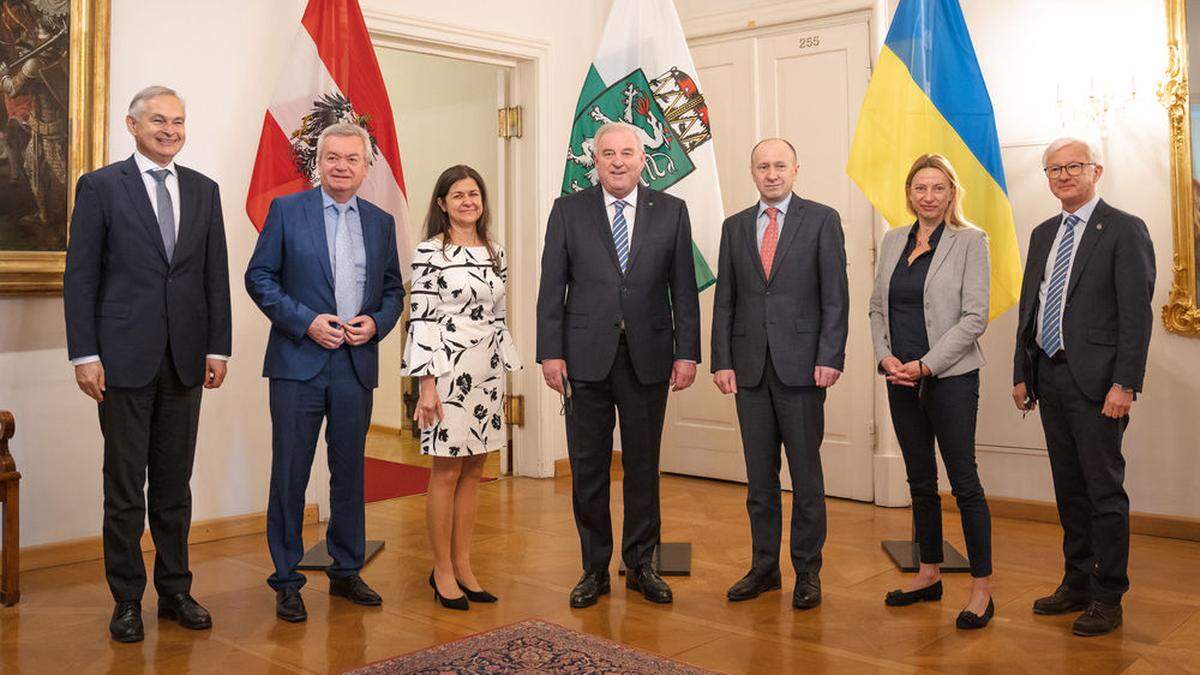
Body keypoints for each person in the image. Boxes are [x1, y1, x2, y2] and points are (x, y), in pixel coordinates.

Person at [63, 85, 231, 643]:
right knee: (125, 489)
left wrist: (217, 347)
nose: (170, 130)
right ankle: (127, 600)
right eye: (158, 120)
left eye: (179, 121)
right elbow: (81, 277)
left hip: (185, 362)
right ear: (132, 125)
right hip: (121, 362)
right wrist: (85, 354)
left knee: (175, 486)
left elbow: (214, 277)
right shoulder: (102, 187)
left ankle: (176, 590)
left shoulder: (205, 191)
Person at [536, 121, 701, 608]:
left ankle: (642, 563)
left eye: (627, 152)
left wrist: (686, 351)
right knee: (588, 468)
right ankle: (593, 568)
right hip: (583, 359)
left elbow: (684, 290)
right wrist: (551, 351)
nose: (617, 161)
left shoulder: (671, 211)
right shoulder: (569, 210)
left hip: (649, 358)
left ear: (642, 158)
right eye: (607, 152)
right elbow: (551, 289)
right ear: (596, 160)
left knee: (643, 466)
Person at [245, 122, 404, 623]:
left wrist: (375, 324)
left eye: (351, 159)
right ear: (319, 161)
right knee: (290, 471)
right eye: (332, 157)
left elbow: (394, 290)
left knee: (350, 471)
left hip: (355, 364)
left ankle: (347, 569)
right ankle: (287, 578)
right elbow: (259, 276)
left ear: (365, 165)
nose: (341, 166)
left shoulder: (380, 221)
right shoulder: (288, 212)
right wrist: (305, 322)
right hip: (298, 363)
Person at [1012, 137, 1155, 637]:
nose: (1063, 176)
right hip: (1049, 376)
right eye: (1053, 170)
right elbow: (1031, 306)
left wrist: (1125, 384)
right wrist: (1021, 372)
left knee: (1103, 491)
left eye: (1073, 166)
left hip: (1099, 385)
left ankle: (1108, 594)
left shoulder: (1123, 229)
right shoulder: (1043, 233)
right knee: (1068, 489)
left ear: (1096, 170)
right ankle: (1075, 580)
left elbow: (1136, 317)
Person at [710, 138, 848, 610]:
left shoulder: (822, 220)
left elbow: (835, 296)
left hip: (804, 370)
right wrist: (721, 360)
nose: (772, 174)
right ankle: (764, 567)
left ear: (796, 169)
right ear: (752, 172)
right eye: (763, 166)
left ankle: (808, 572)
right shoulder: (733, 228)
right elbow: (725, 300)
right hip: (749, 371)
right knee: (759, 480)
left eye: (780, 165)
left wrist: (831, 355)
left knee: (806, 478)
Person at [868, 154, 994, 629]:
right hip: (899, 378)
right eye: (920, 187)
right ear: (909, 193)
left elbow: (974, 318)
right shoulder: (893, 239)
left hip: (951, 378)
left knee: (964, 483)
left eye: (937, 188)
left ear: (951, 192)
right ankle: (928, 573)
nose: (928, 196)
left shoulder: (970, 241)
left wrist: (926, 365)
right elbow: (877, 309)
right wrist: (887, 358)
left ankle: (981, 588)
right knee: (920, 479)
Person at [402, 165, 521, 610]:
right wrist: (426, 386)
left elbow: (498, 315)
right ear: (442, 204)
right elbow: (422, 320)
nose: (468, 201)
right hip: (447, 374)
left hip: (488, 372)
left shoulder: (497, 251)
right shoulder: (429, 252)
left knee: (476, 471)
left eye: (474, 193)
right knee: (446, 471)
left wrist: (503, 367)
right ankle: (442, 570)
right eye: (458, 195)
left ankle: (465, 564)